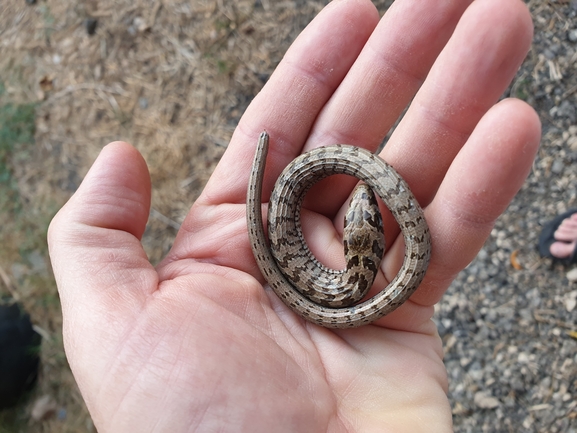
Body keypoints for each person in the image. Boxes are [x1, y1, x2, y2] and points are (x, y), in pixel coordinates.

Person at [47, 0, 541, 431]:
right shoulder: (350, 268)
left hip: (333, 278)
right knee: (299, 193)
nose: (363, 201)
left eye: (361, 210)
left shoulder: (352, 273)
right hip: (327, 266)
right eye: (365, 208)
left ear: (351, 242)